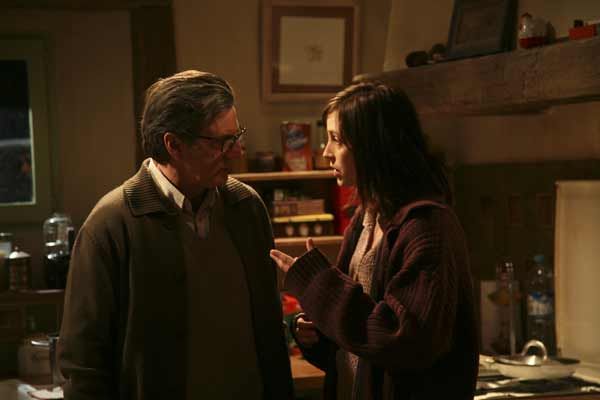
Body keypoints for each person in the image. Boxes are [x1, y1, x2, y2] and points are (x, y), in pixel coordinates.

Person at [59, 70, 294, 400]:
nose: (237, 152)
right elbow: (83, 365)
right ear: (174, 144)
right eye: (221, 143)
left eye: (236, 137)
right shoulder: (111, 226)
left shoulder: (246, 208)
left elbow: (270, 332)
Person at [270, 81, 479, 400]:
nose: (326, 153)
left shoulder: (427, 227)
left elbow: (405, 340)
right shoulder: (364, 219)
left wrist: (319, 287)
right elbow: (358, 344)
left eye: (336, 140)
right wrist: (318, 334)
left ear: (372, 146)